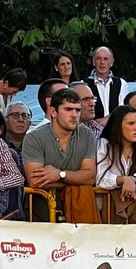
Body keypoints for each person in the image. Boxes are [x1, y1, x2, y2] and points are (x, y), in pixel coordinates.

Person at [22, 88, 97, 221]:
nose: (74, 115)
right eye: (68, 109)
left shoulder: (86, 134)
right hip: (41, 216)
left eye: (77, 110)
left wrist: (60, 174)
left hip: (78, 215)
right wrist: (75, 181)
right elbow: (36, 181)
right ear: (53, 111)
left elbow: (90, 177)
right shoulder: (34, 137)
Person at [95, 105, 136, 223]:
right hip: (109, 207)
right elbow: (100, 178)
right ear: (118, 125)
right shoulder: (104, 144)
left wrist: (134, 180)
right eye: (131, 123)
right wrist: (124, 180)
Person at [83, 46, 127, 124]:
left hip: (116, 127)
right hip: (92, 128)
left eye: (106, 59)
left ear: (111, 62)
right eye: (98, 59)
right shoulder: (84, 85)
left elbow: (123, 111)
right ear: (93, 62)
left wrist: (105, 120)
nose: (102, 62)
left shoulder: (121, 83)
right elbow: (83, 112)